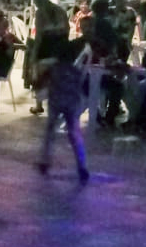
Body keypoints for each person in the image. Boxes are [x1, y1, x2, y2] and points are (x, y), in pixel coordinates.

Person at [35, 36, 90, 186]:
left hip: (55, 103)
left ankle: (45, 161)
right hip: (71, 104)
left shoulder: (53, 69)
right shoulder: (75, 71)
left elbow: (39, 82)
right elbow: (80, 86)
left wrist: (39, 86)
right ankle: (82, 166)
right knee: (74, 135)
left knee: (50, 132)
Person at [28, 0, 70, 115]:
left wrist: (34, 54)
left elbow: (39, 36)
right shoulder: (60, 10)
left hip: (47, 48)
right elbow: (66, 30)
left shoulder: (40, 13)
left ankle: (39, 104)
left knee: (34, 67)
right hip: (61, 48)